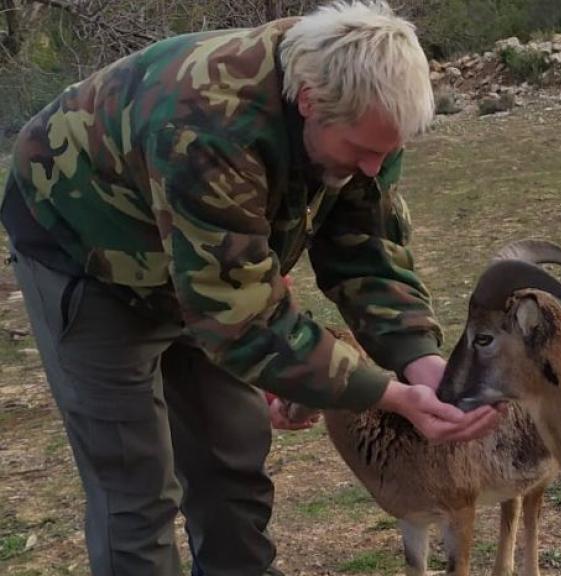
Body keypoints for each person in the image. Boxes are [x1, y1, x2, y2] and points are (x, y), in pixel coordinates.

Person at [0, 2, 501, 574]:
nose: (372, 167)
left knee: (231, 463)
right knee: (136, 490)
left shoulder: (369, 114)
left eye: (386, 152)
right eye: (362, 150)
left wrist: (422, 363)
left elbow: (366, 253)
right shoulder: (210, 124)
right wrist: (386, 394)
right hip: (85, 256)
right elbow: (240, 320)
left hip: (209, 265)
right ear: (309, 102)